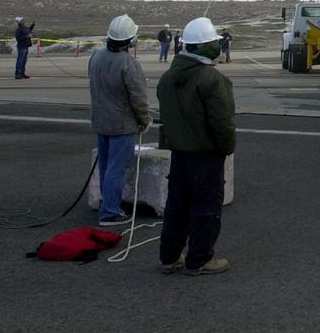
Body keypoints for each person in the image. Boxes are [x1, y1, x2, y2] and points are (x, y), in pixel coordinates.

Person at [157, 17, 236, 276]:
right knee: (206, 208)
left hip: (179, 153)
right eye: (213, 42)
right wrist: (226, 148)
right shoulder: (212, 79)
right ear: (201, 47)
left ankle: (170, 257)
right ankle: (200, 259)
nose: (217, 45)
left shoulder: (168, 78)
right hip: (206, 155)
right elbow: (222, 123)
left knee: (176, 206)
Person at [88, 15, 151, 226]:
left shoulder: (95, 57)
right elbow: (139, 99)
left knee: (106, 166)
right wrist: (144, 120)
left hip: (101, 122)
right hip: (122, 125)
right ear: (131, 40)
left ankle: (108, 203)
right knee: (116, 168)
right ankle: (110, 212)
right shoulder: (128, 64)